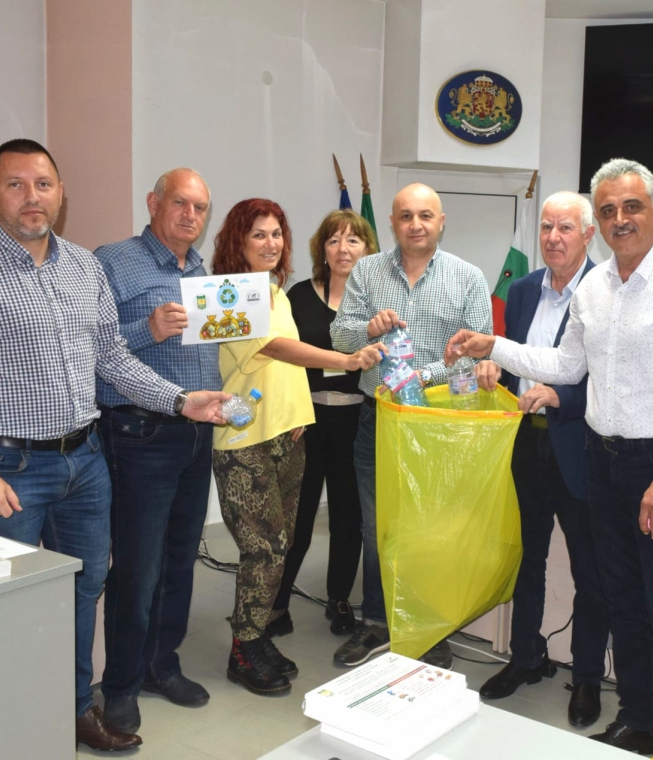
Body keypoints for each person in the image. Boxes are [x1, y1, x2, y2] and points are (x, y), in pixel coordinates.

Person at [0, 139, 228, 753]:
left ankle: (75, 709)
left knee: (82, 591)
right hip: (5, 468)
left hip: (86, 461)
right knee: (3, 601)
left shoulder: (84, 268)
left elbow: (113, 359)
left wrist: (181, 400)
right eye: (16, 184)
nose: (32, 197)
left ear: (61, 193)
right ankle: (7, 727)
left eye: (43, 184)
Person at [447, 158, 653, 759]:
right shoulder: (594, 288)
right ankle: (636, 718)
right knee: (622, 600)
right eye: (608, 210)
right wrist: (493, 345)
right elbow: (567, 366)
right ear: (597, 222)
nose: (620, 219)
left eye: (632, 207)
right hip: (602, 462)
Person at [209, 199, 382, 696]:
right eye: (258, 235)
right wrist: (345, 359)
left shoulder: (275, 292)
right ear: (238, 241)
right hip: (245, 439)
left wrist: (297, 416)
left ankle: (257, 637)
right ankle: (243, 650)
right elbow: (272, 348)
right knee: (263, 548)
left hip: (286, 434)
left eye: (276, 234)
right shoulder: (228, 292)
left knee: (278, 545)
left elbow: (282, 372)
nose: (270, 243)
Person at [329, 183, 493, 670]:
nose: (415, 224)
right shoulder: (367, 271)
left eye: (425, 215)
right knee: (377, 526)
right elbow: (339, 338)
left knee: (432, 527)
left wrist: (426, 376)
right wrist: (369, 329)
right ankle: (377, 622)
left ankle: (428, 625)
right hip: (377, 419)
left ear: (441, 221)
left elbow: (476, 355)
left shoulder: (468, 277)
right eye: (405, 216)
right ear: (393, 223)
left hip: (438, 423)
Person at [473, 191, 609, 728]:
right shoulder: (524, 288)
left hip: (580, 448)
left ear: (588, 234)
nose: (553, 237)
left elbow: (615, 380)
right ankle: (525, 657)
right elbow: (515, 359)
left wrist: (561, 395)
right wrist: (493, 370)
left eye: (565, 228)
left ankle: (588, 677)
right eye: (547, 227)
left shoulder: (606, 291)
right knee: (525, 559)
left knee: (590, 571)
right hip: (524, 447)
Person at [93, 168, 218, 734]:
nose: (190, 215)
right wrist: (147, 328)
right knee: (137, 567)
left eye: (200, 207)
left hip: (195, 433)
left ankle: (161, 664)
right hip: (138, 434)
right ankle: (120, 685)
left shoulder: (200, 271)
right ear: (153, 202)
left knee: (179, 560)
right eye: (180, 203)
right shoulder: (113, 261)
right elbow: (93, 346)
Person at [266, 209, 379, 639]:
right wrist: (293, 411)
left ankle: (339, 599)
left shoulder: (375, 302)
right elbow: (283, 360)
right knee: (297, 516)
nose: (343, 249)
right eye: (334, 240)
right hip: (307, 421)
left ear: (367, 249)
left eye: (353, 240)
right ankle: (276, 604)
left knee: (349, 517)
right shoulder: (297, 295)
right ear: (322, 250)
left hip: (357, 420)